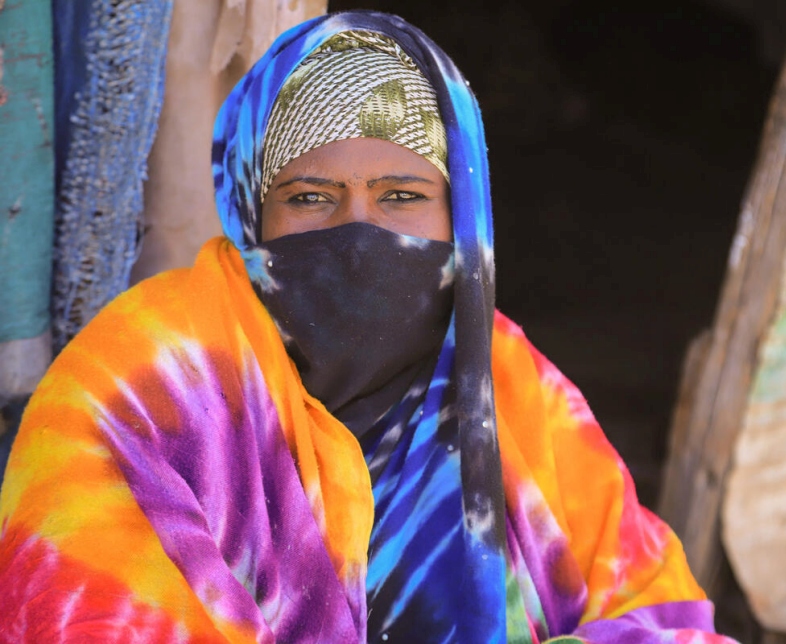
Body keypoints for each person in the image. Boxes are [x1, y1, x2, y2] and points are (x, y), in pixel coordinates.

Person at [0, 11, 737, 643]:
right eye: (311, 196)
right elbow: (86, 609)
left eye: (402, 195)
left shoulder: (514, 390)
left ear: (463, 218)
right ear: (251, 214)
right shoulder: (140, 382)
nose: (359, 231)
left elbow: (666, 617)